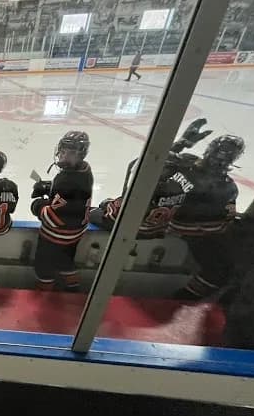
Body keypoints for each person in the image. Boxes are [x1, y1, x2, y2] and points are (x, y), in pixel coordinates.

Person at [88, 119, 213, 239]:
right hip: (157, 229)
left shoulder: (150, 186)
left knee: (96, 210)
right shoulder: (187, 185)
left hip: (131, 227)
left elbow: (136, 165)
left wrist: (179, 145)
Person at [169, 134, 243, 300]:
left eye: (226, 154)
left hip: (184, 227)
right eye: (220, 152)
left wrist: (180, 145)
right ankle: (183, 299)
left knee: (227, 267)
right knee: (220, 270)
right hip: (191, 231)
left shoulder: (186, 163)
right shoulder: (227, 187)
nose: (221, 157)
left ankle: (183, 299)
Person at [31, 131, 93, 292]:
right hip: (76, 232)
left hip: (57, 235)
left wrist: (38, 205)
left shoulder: (66, 180)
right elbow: (71, 199)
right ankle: (73, 289)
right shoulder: (85, 170)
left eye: (71, 153)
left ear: (81, 154)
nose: (64, 156)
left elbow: (53, 218)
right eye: (64, 151)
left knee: (43, 267)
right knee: (66, 261)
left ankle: (44, 296)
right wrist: (50, 188)